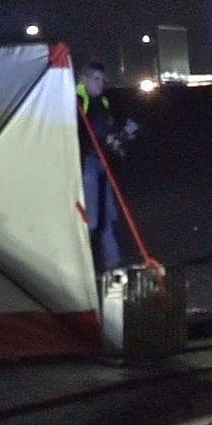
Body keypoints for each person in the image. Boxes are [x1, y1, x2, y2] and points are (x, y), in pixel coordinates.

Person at [76, 62, 137, 270]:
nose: (101, 84)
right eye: (96, 79)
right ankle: (87, 266)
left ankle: (113, 262)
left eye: (103, 80)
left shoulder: (101, 101)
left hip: (103, 162)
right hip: (86, 165)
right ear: (83, 79)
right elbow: (78, 133)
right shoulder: (77, 99)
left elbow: (106, 130)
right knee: (92, 219)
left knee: (107, 216)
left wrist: (120, 137)